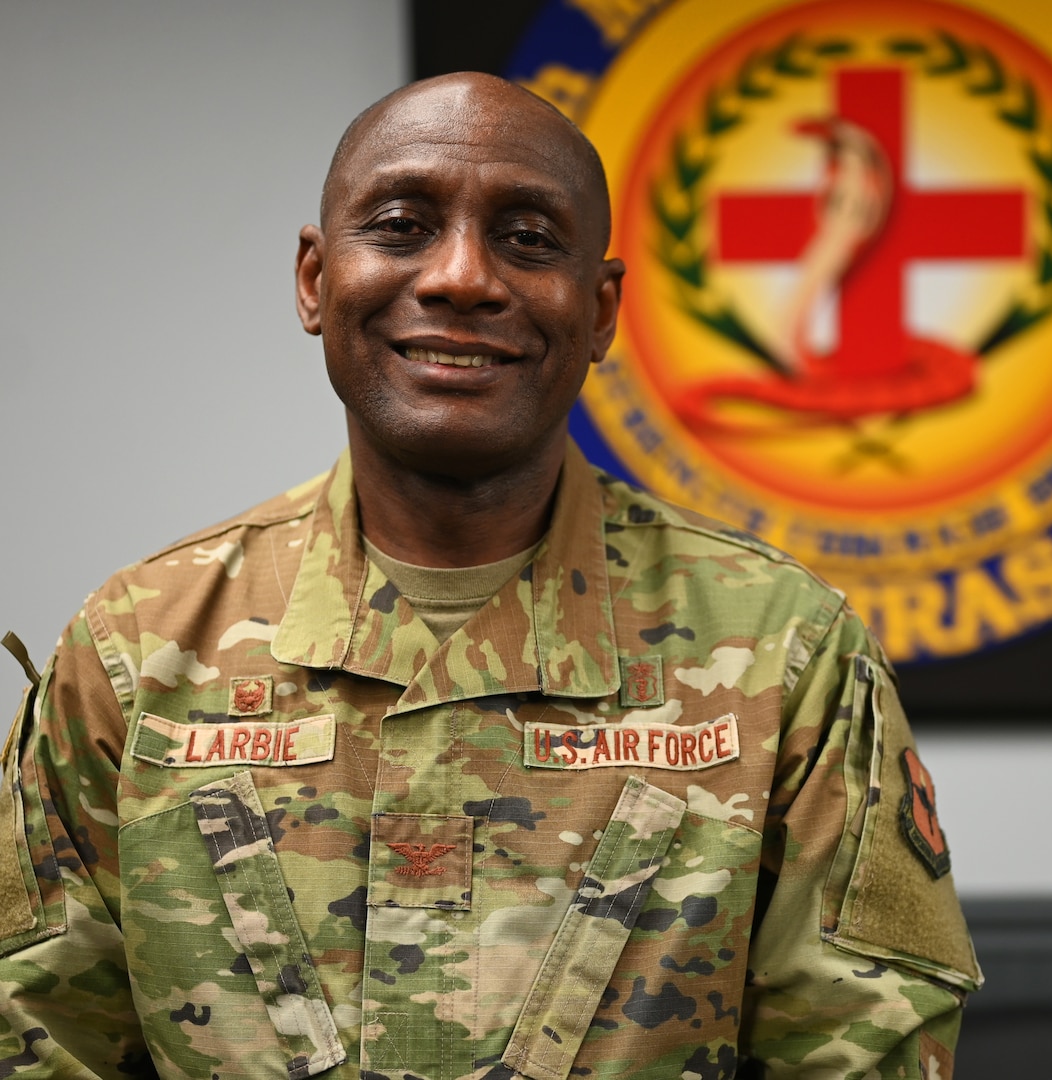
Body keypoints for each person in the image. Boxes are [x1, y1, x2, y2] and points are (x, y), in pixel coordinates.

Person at [0, 73, 980, 1079]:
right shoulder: (136, 650)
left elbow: (858, 1056)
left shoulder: (786, 653)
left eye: (527, 239)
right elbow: (36, 1040)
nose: (462, 275)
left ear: (599, 312)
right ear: (313, 278)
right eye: (400, 225)